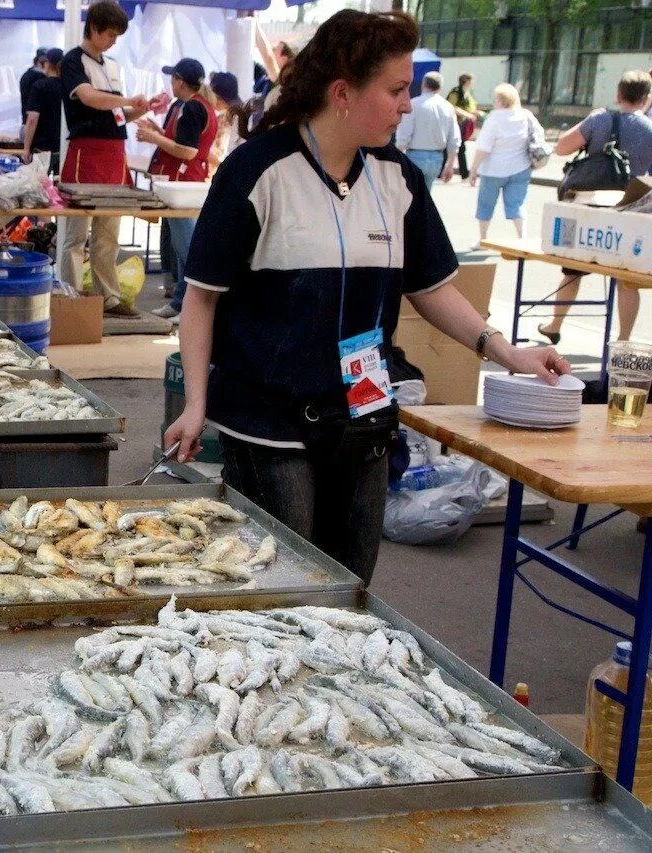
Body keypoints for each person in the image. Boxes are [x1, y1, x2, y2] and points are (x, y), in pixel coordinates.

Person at [164, 10, 567, 584]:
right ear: (343, 93)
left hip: (364, 418)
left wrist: (506, 352)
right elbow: (200, 299)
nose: (408, 104)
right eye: (396, 89)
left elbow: (432, 288)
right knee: (284, 588)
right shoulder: (258, 171)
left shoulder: (396, 176)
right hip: (270, 424)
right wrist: (196, 404)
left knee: (351, 590)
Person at [537, 70, 652, 344]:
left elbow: (562, 148)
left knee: (572, 269)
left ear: (618, 94)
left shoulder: (601, 118)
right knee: (626, 278)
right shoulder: (649, 129)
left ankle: (555, 324)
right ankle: (622, 339)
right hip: (628, 210)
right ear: (647, 98)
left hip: (588, 206)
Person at [58, 1, 149, 318]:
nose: (113, 40)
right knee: (76, 235)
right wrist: (126, 100)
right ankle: (70, 295)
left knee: (109, 232)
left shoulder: (111, 65)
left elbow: (116, 112)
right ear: (94, 29)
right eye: (110, 34)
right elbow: (88, 97)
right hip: (86, 151)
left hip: (113, 152)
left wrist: (142, 108)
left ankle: (107, 296)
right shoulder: (72, 61)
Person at [140, 58, 217, 325]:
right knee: (179, 245)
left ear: (180, 81)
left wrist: (154, 138)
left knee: (186, 248)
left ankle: (188, 306)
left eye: (172, 78)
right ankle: (179, 302)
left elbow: (188, 151)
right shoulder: (187, 106)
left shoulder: (193, 108)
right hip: (180, 184)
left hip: (184, 186)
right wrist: (159, 132)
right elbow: (180, 141)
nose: (170, 83)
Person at [468, 82, 540, 244]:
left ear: (500, 101)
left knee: (486, 205)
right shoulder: (525, 115)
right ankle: (522, 238)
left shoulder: (494, 119)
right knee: (517, 204)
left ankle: (483, 239)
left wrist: (474, 169)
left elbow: (483, 148)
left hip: (493, 170)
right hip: (521, 167)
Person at [395, 71, 460, 189]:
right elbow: (454, 139)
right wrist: (450, 165)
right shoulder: (447, 107)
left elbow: (404, 135)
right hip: (437, 157)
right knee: (426, 195)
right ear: (440, 87)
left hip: (415, 155)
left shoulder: (414, 104)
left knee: (410, 195)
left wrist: (397, 157)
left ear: (423, 84)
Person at [21, 48, 64, 171]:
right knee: (60, 186)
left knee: (37, 186)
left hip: (41, 148)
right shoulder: (67, 88)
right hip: (62, 147)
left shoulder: (39, 86)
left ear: (47, 63)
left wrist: (26, 148)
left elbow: (32, 119)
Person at [207, 71, 251, 173]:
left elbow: (234, 154)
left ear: (219, 98)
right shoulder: (227, 114)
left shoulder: (239, 118)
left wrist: (216, 162)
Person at [447, 73, 482, 179]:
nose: (472, 84)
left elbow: (469, 107)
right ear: (466, 81)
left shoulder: (467, 93)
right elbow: (451, 106)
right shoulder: (456, 92)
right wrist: (467, 114)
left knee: (458, 147)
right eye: (471, 81)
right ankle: (464, 173)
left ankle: (463, 173)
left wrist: (476, 112)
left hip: (464, 124)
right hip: (455, 123)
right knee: (459, 147)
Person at [20, 48, 48, 123]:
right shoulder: (39, 78)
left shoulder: (27, 75)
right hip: (35, 124)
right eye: (43, 62)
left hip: (29, 122)